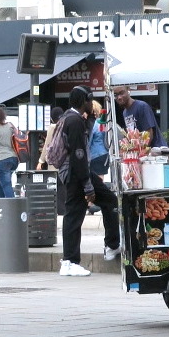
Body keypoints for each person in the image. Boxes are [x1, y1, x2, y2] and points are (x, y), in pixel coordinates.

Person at [54, 86, 95, 277]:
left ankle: (70, 260)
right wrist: (87, 186)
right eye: (89, 99)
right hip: (74, 174)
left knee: (73, 216)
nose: (91, 103)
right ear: (83, 100)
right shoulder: (75, 121)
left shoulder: (68, 118)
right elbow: (79, 154)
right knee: (73, 217)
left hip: (68, 173)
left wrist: (91, 118)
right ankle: (70, 261)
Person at [86, 94, 122, 260]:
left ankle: (92, 203)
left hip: (94, 155)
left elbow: (89, 141)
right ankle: (93, 202)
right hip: (104, 154)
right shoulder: (103, 124)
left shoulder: (93, 125)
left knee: (97, 181)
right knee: (99, 181)